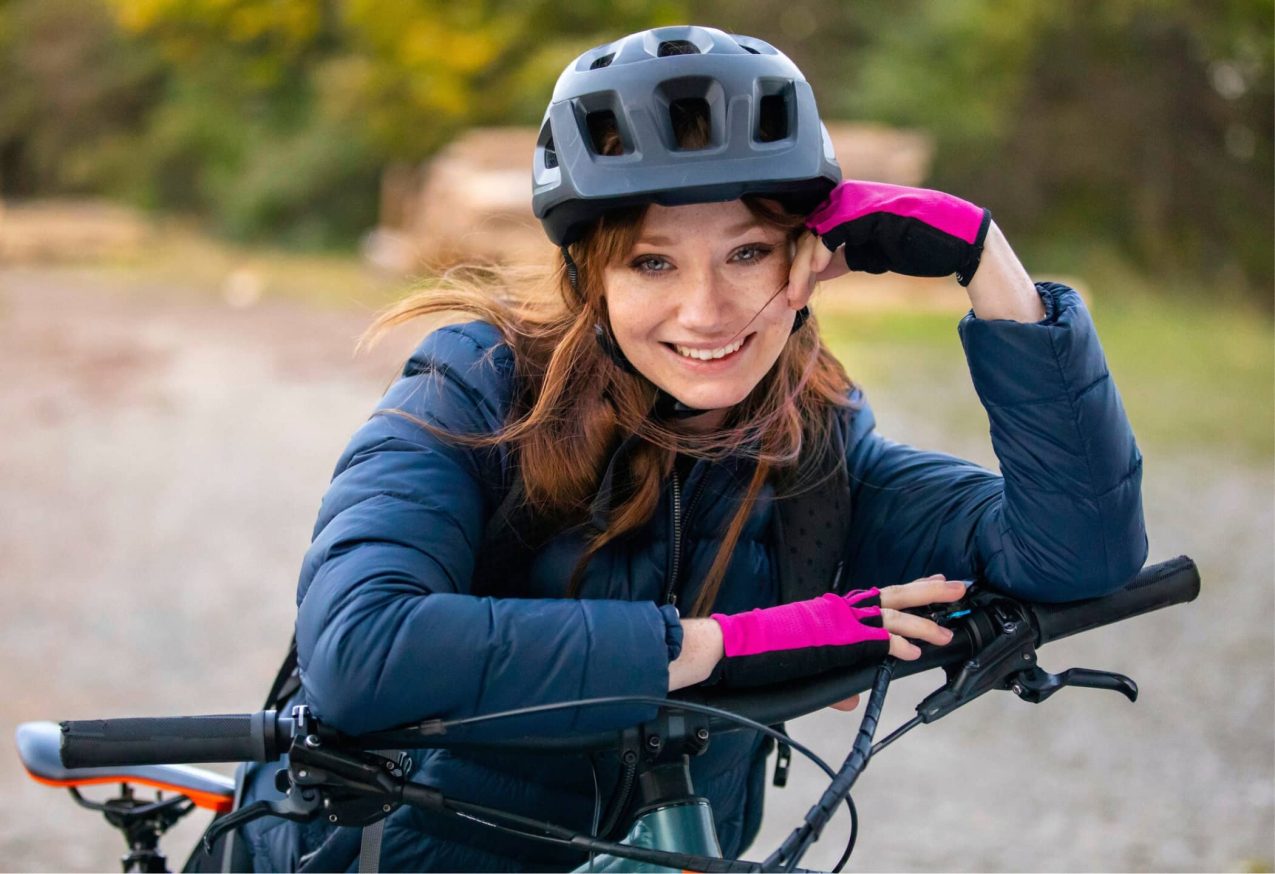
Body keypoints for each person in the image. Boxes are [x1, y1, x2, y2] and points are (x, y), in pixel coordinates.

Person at [235, 25, 1146, 872]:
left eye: (747, 254)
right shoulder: (475, 386)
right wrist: (734, 644)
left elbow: (1079, 554)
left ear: (810, 259)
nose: (706, 313)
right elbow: (361, 652)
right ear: (587, 275)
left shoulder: (815, 443)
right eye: (652, 262)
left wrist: (986, 261)